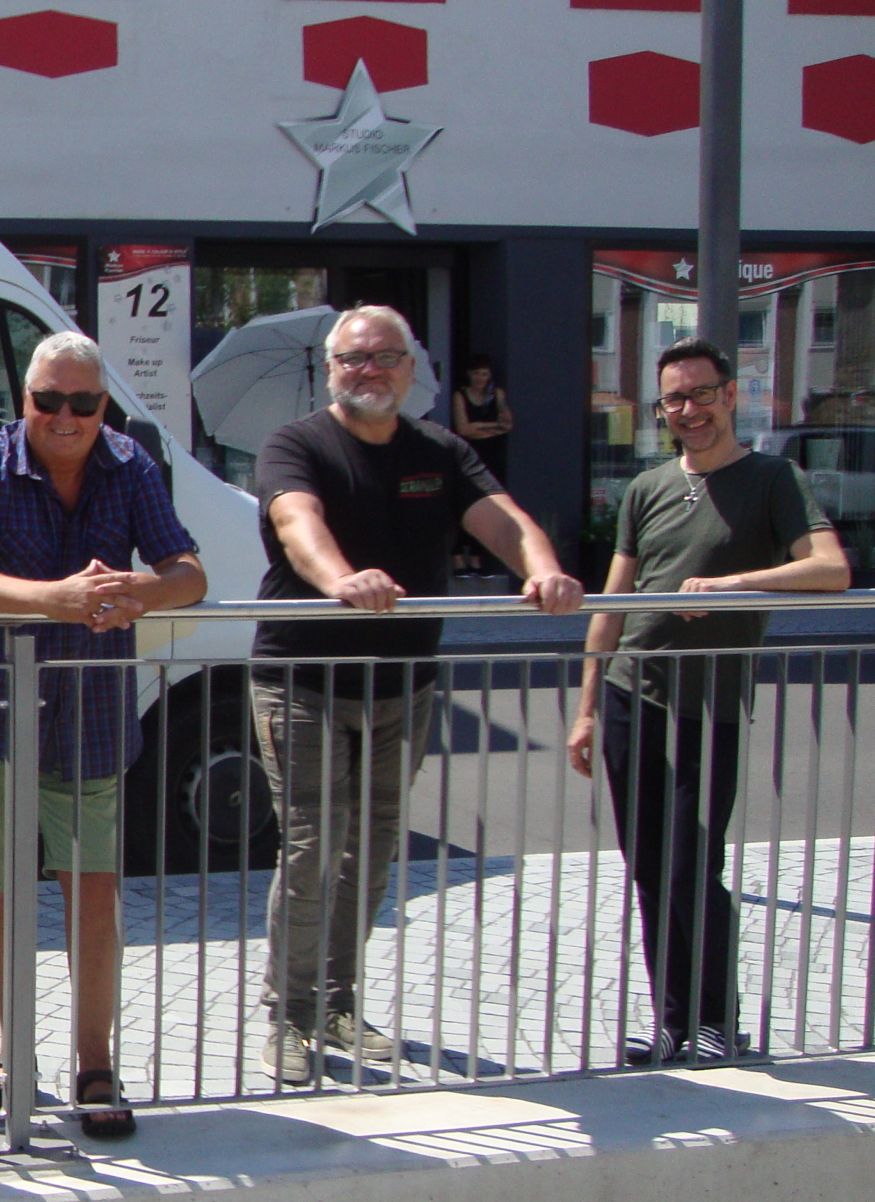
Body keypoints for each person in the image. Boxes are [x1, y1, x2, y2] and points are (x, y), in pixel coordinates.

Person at [252, 305, 581, 1086]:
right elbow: (297, 523)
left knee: (371, 846)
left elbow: (505, 522)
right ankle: (289, 1015)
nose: (369, 371)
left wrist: (542, 567)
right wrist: (342, 581)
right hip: (303, 680)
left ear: (410, 369)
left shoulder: (440, 449)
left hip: (403, 684)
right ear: (330, 369)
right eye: (354, 359)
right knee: (311, 846)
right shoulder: (295, 444)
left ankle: (336, 1002)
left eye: (385, 357)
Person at [0, 333, 206, 1140]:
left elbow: (191, 575)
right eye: (49, 400)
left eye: (82, 402)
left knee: (93, 888)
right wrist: (52, 599)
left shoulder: (131, 465)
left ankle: (94, 1062)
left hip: (88, 709)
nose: (65, 416)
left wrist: (141, 591)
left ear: (104, 406)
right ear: (26, 400)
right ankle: (15, 1055)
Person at [565, 340, 847, 1064]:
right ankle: (671, 1021)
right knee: (650, 867)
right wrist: (588, 704)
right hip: (632, 693)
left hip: (709, 702)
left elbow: (830, 569)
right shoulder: (647, 488)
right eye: (674, 401)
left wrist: (735, 586)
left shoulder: (772, 478)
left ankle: (720, 1020)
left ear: (730, 395)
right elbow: (612, 602)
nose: (688, 411)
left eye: (700, 394)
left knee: (694, 864)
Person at [451, 361, 514, 573]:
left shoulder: (496, 395)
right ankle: (459, 557)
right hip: (468, 455)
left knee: (491, 504)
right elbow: (463, 428)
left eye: (485, 373)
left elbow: (507, 425)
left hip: (491, 456)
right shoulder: (460, 396)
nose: (481, 378)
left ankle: (479, 558)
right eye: (477, 373)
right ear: (469, 374)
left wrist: (480, 427)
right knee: (463, 504)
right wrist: (491, 427)